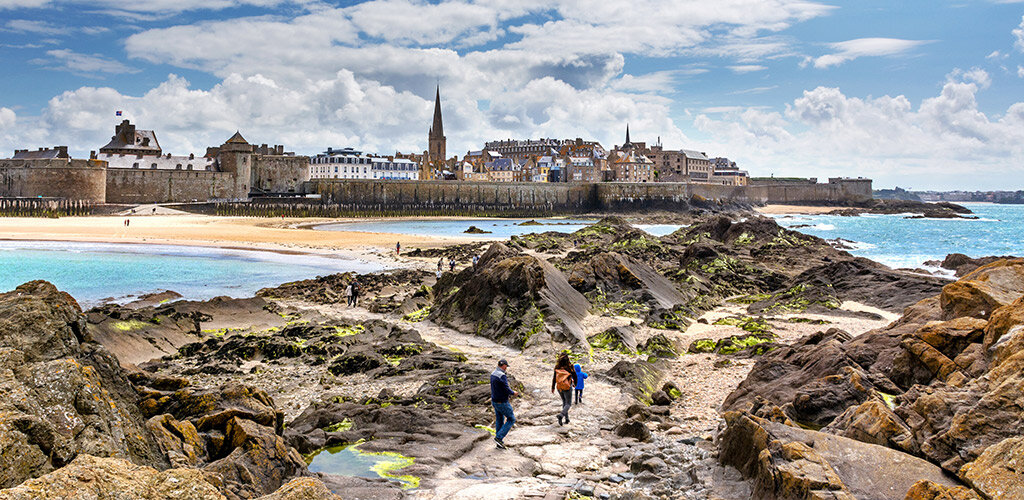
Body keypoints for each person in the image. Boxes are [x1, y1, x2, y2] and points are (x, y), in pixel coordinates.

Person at [490, 359, 517, 449]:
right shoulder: (502, 375)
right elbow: (506, 389)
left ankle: (499, 443)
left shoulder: (493, 373)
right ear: (503, 365)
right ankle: (499, 438)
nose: (506, 368)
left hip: (494, 401)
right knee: (511, 419)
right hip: (502, 402)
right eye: (506, 366)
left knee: (499, 420)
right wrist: (513, 393)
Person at [551, 353, 577, 425]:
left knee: (564, 402)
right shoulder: (570, 367)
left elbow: (554, 378)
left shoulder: (557, 367)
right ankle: (561, 415)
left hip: (559, 387)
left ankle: (567, 419)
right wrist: (575, 384)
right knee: (568, 403)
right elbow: (575, 376)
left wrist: (553, 387)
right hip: (567, 386)